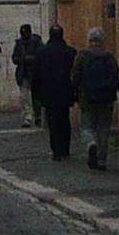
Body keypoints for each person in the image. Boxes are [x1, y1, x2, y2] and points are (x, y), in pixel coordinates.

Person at [74, 26, 119, 171]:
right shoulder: (109, 57)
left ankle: (90, 144)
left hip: (87, 98)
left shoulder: (82, 56)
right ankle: (102, 160)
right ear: (103, 40)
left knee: (86, 128)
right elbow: (115, 75)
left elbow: (74, 76)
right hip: (107, 98)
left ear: (89, 40)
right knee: (104, 130)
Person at [28, 25, 80, 162]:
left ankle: (56, 150)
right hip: (66, 91)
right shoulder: (71, 52)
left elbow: (36, 74)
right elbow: (76, 74)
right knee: (64, 118)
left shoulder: (42, 52)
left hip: (48, 92)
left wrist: (35, 93)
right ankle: (65, 148)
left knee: (53, 121)